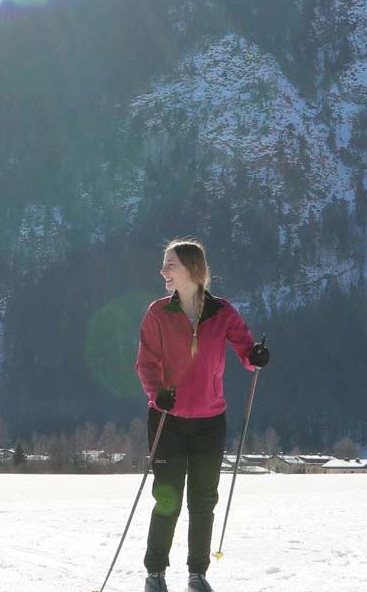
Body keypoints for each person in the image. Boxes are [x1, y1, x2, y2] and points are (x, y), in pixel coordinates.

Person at [133, 237, 269, 592]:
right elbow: (145, 363)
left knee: (203, 500)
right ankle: (155, 573)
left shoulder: (222, 312)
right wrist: (156, 393)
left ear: (192, 270)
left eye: (170, 264)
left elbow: (244, 346)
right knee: (168, 497)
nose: (163, 271)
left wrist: (254, 356)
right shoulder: (157, 313)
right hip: (167, 419)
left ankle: (197, 574)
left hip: (210, 422)